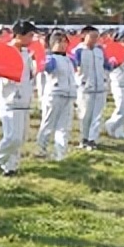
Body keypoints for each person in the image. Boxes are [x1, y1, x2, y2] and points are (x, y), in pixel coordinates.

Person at [0, 20, 37, 176]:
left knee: (21, 137)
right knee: (13, 137)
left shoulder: (26, 53)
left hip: (24, 97)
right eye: (29, 35)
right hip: (9, 98)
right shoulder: (5, 51)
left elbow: (28, 75)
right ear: (19, 35)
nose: (31, 39)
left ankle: (11, 167)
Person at [36, 31, 78, 161]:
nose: (63, 44)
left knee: (64, 127)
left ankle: (60, 153)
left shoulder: (69, 59)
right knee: (48, 123)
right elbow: (45, 67)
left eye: (65, 41)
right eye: (59, 42)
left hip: (69, 95)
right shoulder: (51, 58)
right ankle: (41, 148)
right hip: (55, 94)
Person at [71, 26, 109, 151]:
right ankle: (84, 138)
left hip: (100, 87)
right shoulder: (78, 51)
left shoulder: (99, 50)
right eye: (92, 36)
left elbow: (106, 65)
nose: (94, 39)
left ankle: (93, 139)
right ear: (84, 35)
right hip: (85, 88)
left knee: (97, 115)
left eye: (96, 37)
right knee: (85, 114)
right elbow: (74, 68)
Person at [105, 34, 124, 139]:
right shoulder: (116, 51)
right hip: (120, 84)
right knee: (122, 109)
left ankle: (119, 129)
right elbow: (112, 65)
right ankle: (111, 125)